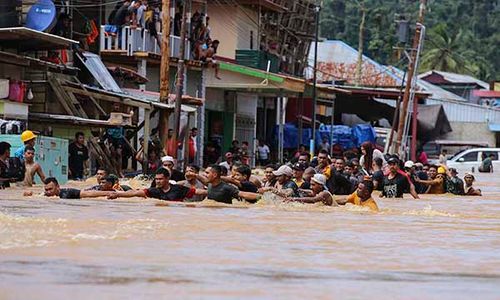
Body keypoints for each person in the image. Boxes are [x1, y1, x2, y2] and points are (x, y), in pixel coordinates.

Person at [41, 177, 111, 199]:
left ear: (58, 187)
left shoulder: (68, 193)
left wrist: (108, 193)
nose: (48, 192)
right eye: (46, 190)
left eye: (50, 189)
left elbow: (88, 194)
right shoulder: (45, 195)